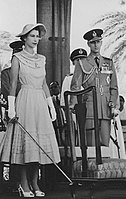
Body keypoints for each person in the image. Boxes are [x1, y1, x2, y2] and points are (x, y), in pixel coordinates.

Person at [0, 23, 60, 197]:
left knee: (38, 145)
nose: (35, 39)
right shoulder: (17, 58)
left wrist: (50, 106)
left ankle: (35, 183)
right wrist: (11, 107)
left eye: (37, 36)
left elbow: (43, 83)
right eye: (32, 36)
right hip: (25, 100)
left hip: (40, 102)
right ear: (24, 38)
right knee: (27, 145)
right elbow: (12, 85)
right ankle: (24, 183)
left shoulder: (41, 59)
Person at [70, 29, 119, 147]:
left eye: (98, 41)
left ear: (101, 42)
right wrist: (74, 105)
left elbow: (114, 86)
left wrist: (113, 104)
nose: (96, 45)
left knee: (105, 146)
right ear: (88, 44)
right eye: (92, 42)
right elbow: (75, 86)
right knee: (91, 147)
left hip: (106, 108)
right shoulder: (82, 63)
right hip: (90, 108)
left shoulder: (108, 63)